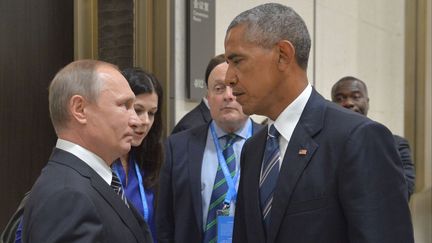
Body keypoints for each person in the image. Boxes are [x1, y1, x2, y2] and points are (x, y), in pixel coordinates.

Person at [224, 3, 413, 243]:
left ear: (283, 55)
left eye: (237, 61)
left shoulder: (357, 138)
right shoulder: (253, 149)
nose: (229, 77)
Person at [22, 60, 153, 243]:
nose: (136, 121)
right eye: (125, 105)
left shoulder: (88, 181)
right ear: (80, 109)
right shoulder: (67, 196)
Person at [156, 54, 262, 243]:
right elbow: (165, 221)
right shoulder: (177, 146)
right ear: (208, 97)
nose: (228, 96)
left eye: (235, 86)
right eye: (219, 88)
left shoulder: (270, 143)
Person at [331, 76, 416, 199]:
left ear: (367, 101)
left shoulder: (396, 144)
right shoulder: (324, 146)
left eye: (356, 97)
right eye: (340, 98)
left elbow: (404, 191)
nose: (348, 103)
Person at [111, 67, 164, 241]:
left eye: (151, 113)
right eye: (138, 110)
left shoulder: (149, 159)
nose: (145, 121)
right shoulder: (102, 158)